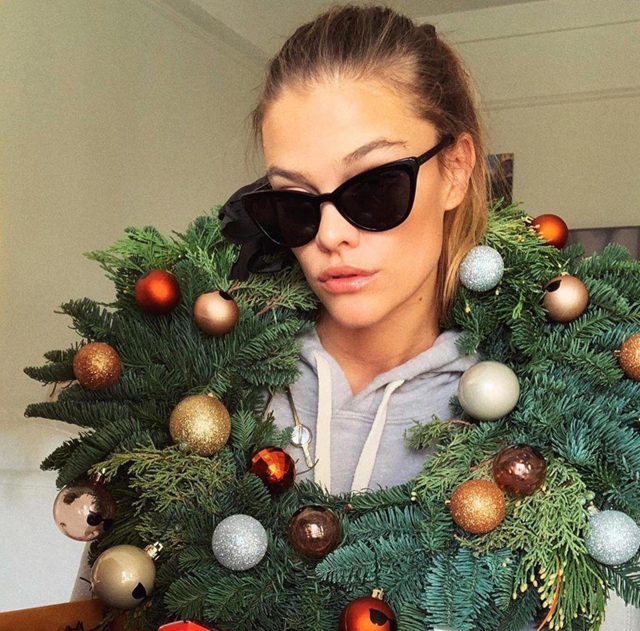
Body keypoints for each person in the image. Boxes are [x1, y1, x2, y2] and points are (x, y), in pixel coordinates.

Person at [71, 4, 637, 630]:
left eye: (373, 188)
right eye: (294, 202)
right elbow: (112, 605)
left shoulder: (538, 425)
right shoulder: (206, 400)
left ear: (455, 170)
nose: (330, 235)